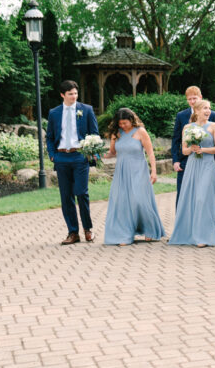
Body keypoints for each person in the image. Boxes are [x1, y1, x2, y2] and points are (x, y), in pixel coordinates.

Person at [45, 80, 100, 245]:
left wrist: (93, 153)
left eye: (75, 93)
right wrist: (53, 155)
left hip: (80, 156)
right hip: (61, 158)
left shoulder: (86, 110)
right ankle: (73, 232)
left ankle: (88, 229)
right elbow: (49, 137)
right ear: (62, 95)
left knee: (81, 193)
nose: (74, 96)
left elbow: (95, 134)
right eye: (70, 94)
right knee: (66, 196)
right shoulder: (54, 113)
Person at [102, 108, 165, 246]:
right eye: (120, 123)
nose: (122, 125)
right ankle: (124, 234)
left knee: (140, 200)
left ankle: (150, 230)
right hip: (122, 171)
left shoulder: (141, 132)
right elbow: (112, 152)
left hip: (139, 170)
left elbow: (150, 153)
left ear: (131, 120)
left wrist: (154, 171)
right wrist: (97, 153)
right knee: (122, 202)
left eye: (125, 123)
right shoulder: (116, 133)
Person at [169, 100, 215, 247]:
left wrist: (203, 150)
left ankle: (204, 235)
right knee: (191, 197)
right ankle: (191, 233)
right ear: (197, 111)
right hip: (192, 165)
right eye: (205, 108)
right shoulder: (187, 127)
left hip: (207, 165)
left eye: (209, 108)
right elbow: (184, 151)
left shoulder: (214, 126)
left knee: (202, 198)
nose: (208, 111)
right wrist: (192, 149)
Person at [171, 86, 215, 207]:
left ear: (200, 97)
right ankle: (183, 217)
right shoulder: (181, 115)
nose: (192, 101)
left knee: (206, 194)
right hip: (186, 161)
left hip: (207, 160)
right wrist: (176, 160)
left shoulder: (212, 115)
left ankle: (211, 218)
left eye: (195, 98)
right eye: (190, 99)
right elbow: (176, 140)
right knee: (183, 193)